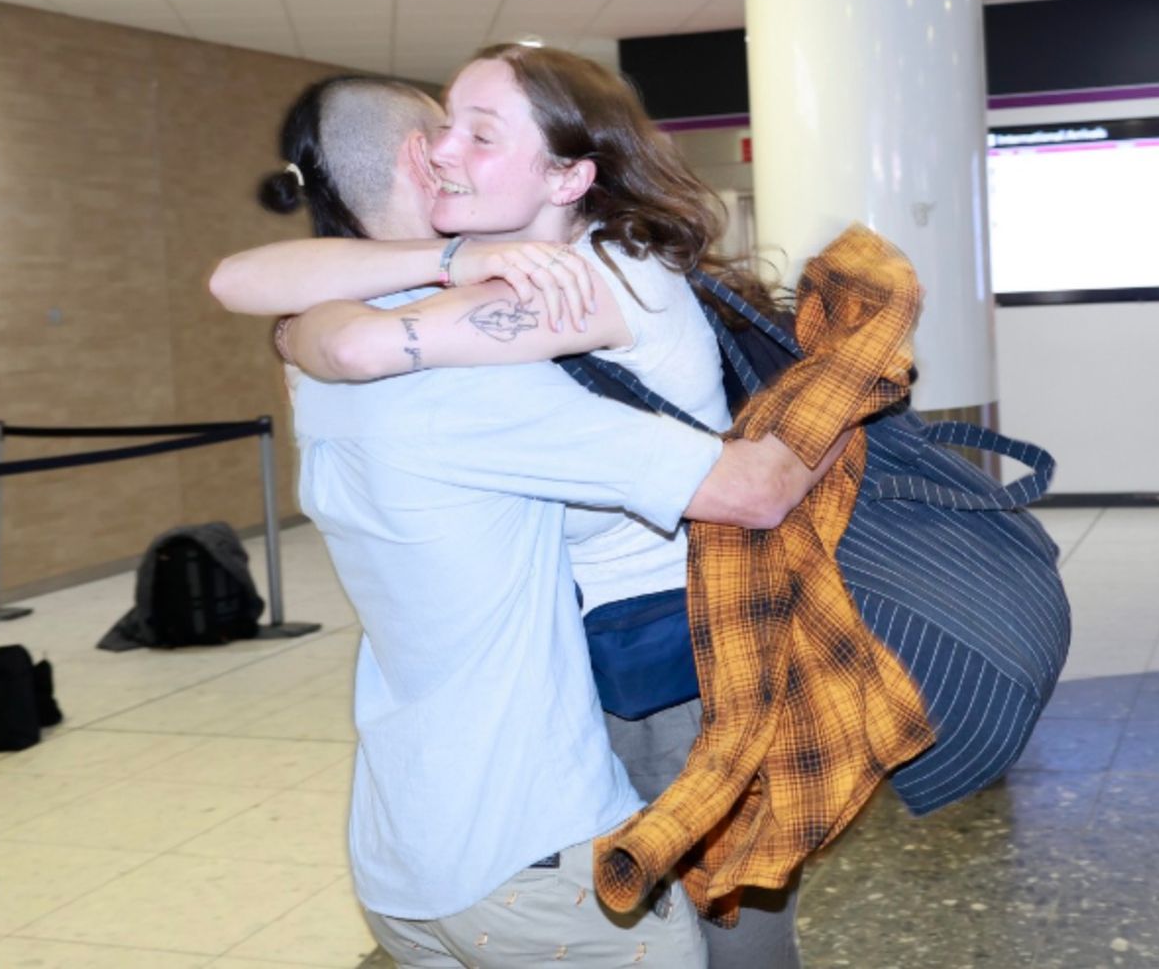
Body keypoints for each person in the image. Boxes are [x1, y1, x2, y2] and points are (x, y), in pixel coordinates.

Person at [212, 70, 836, 968]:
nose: (453, 153)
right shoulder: (459, 312)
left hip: (677, 661)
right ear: (415, 161)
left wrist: (305, 334)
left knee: (732, 923)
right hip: (572, 709)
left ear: (567, 176)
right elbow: (265, 294)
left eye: (481, 133)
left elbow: (317, 325)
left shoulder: (573, 291)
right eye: (445, 134)